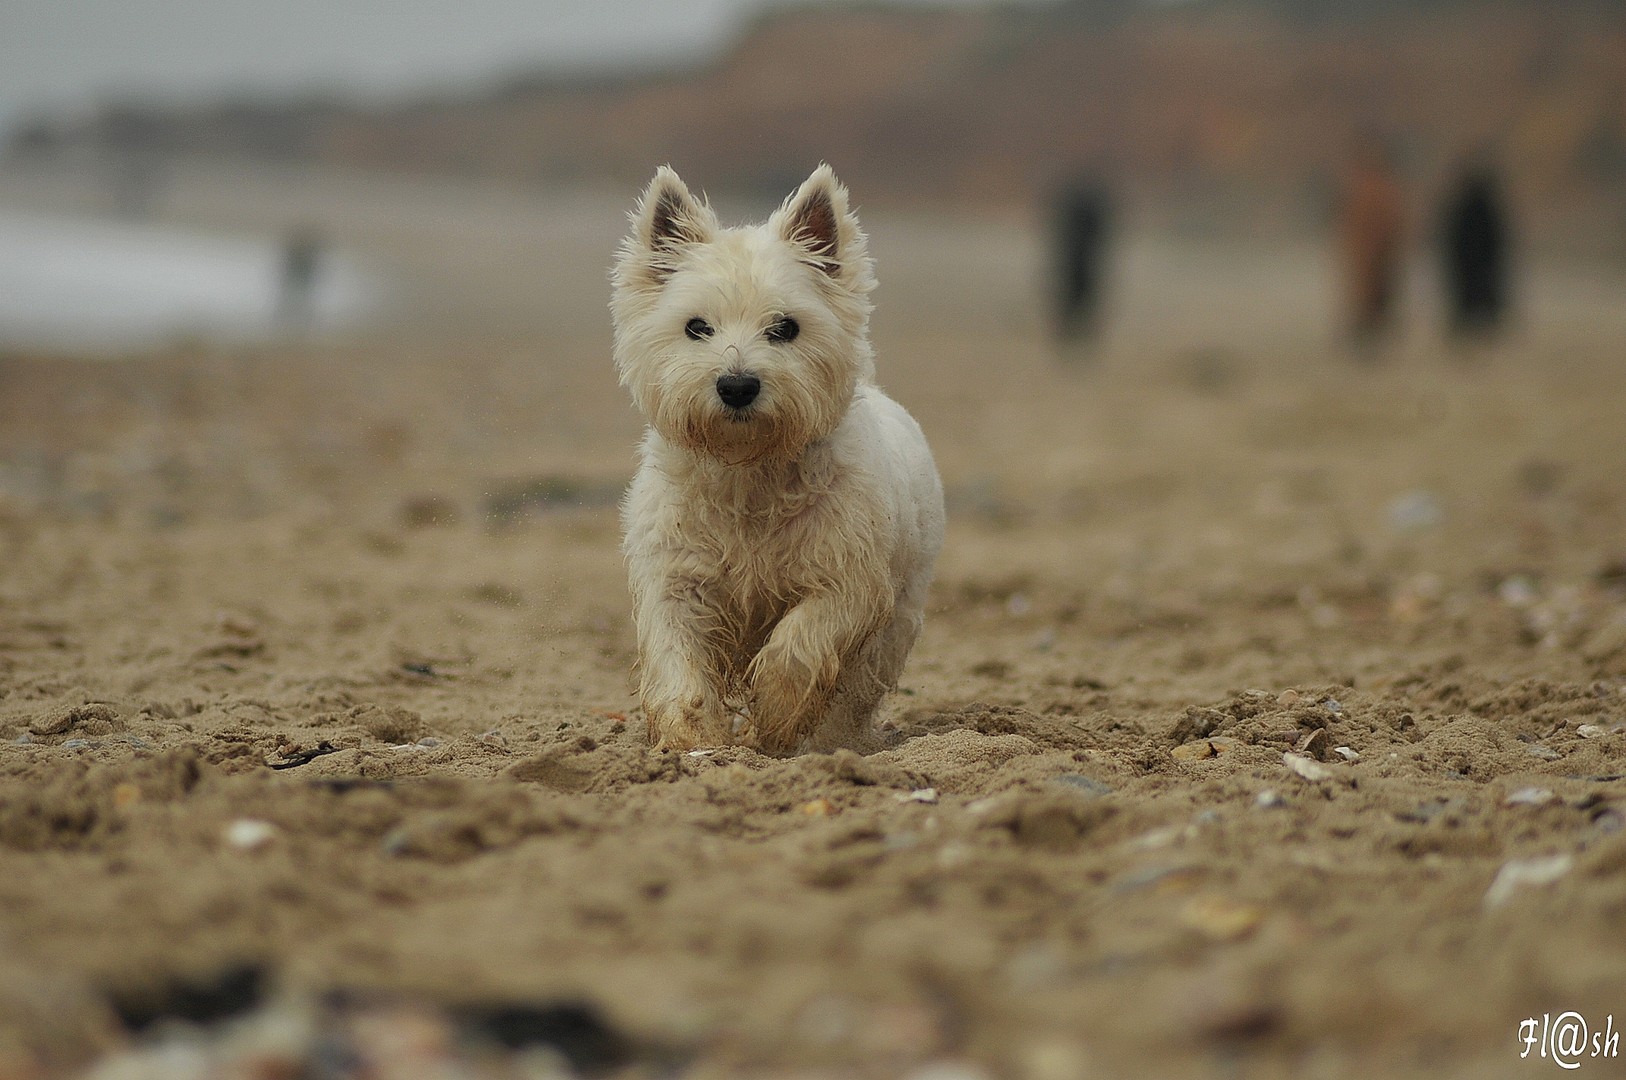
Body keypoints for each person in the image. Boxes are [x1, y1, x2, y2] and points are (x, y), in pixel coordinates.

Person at [1337, 135, 1405, 351]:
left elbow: (1393, 225)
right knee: (1365, 302)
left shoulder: (1380, 190)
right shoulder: (1364, 189)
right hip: (1365, 259)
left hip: (1378, 258)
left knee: (1376, 302)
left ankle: (1373, 341)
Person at [1438, 162, 1511, 340]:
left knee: (1474, 298)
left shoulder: (1467, 206)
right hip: (1476, 264)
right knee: (1474, 298)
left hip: (1472, 264)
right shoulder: (1483, 207)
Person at [1050, 177, 1113, 350]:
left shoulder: (1078, 210)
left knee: (1081, 294)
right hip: (1078, 258)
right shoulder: (1086, 211)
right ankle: (1071, 330)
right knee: (1076, 294)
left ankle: (1078, 330)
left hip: (1081, 258)